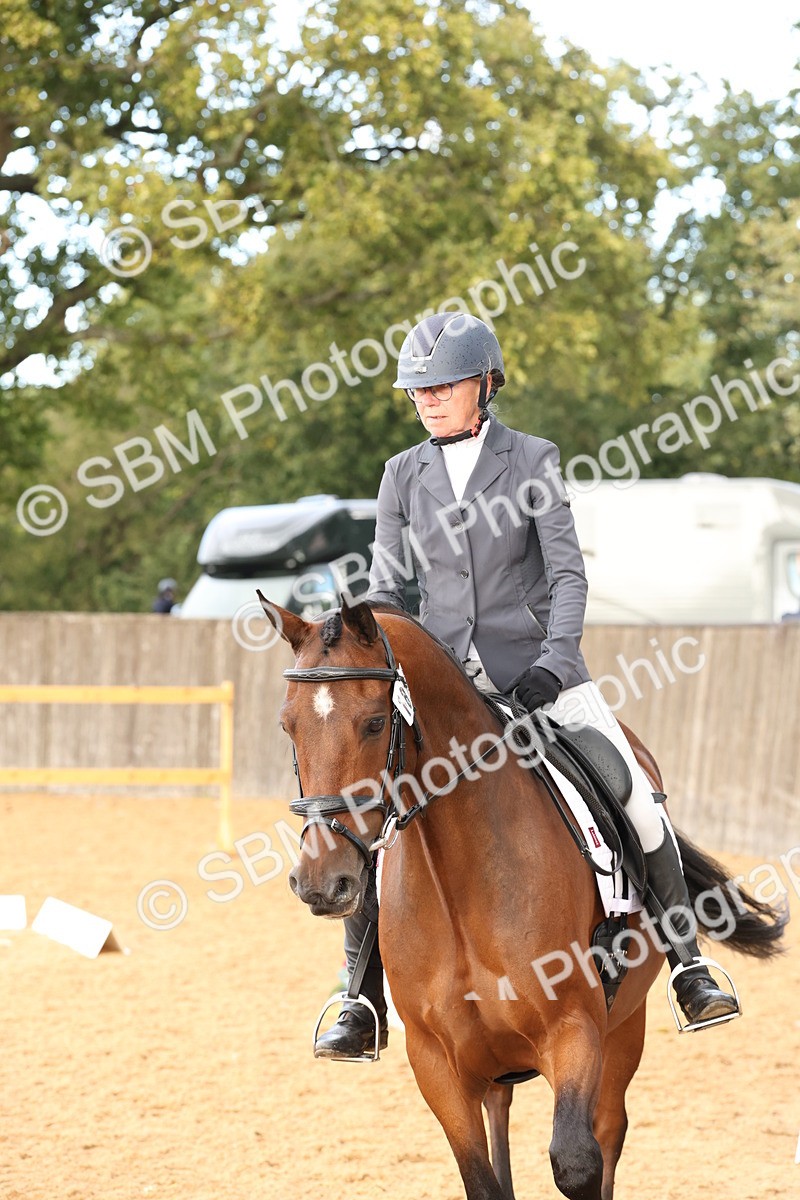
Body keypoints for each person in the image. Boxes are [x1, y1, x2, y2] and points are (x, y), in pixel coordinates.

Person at [314, 312, 739, 1060]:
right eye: (417, 390)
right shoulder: (400, 474)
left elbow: (569, 575)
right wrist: (384, 657)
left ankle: (688, 964)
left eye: (442, 386)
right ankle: (360, 997)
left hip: (539, 671)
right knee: (372, 814)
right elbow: (386, 588)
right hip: (441, 685)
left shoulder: (532, 459)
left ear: (485, 384)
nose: (427, 400)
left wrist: (553, 660)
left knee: (634, 795)